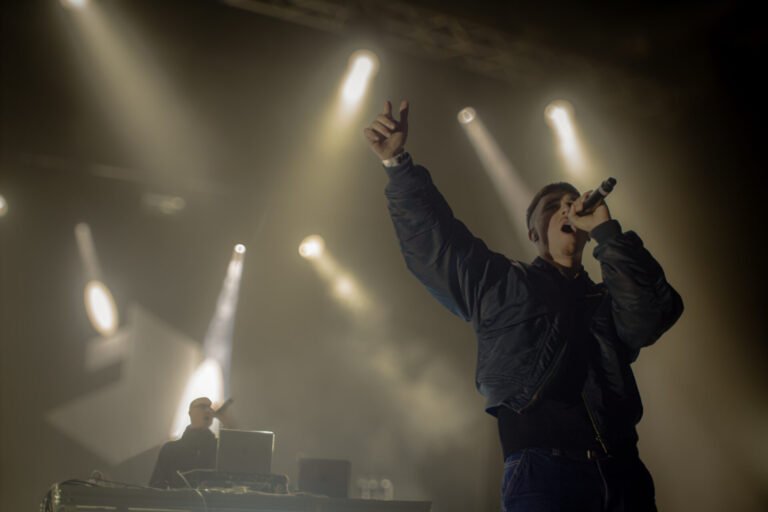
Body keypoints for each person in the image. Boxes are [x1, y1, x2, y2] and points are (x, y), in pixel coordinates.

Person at [363, 100, 683, 511]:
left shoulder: (607, 298)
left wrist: (606, 231)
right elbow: (433, 244)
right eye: (553, 207)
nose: (567, 208)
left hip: (624, 473)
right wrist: (398, 165)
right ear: (533, 232)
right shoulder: (502, 284)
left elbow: (654, 314)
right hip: (545, 473)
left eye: (572, 202)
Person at [149, 397, 219, 489]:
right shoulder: (170, 449)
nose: (207, 411)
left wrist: (227, 421)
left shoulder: (218, 448)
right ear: (190, 413)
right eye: (202, 407)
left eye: (210, 408)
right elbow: (156, 486)